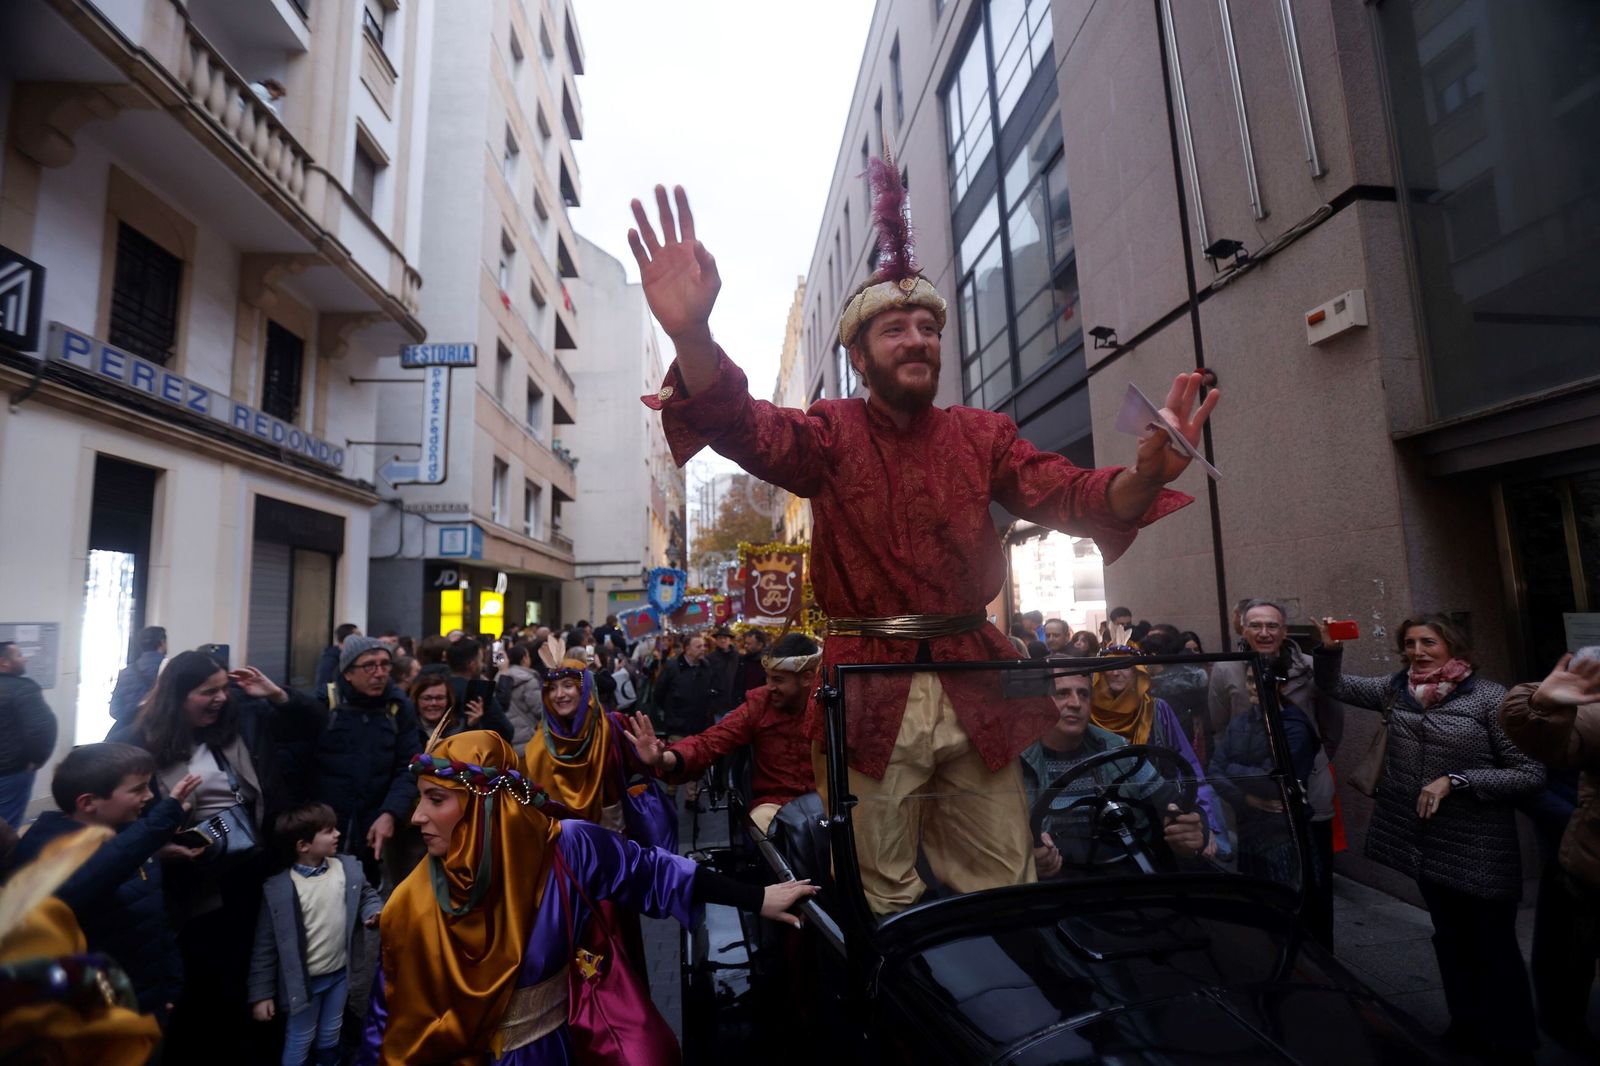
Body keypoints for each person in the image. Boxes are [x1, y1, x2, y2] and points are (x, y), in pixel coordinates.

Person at [631, 173, 1215, 916]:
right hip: (870, 690)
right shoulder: (829, 431)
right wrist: (690, 335)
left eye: (930, 328)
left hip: (975, 679)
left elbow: (1065, 493)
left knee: (1005, 876)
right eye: (895, 329)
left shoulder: (983, 434)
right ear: (860, 355)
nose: (918, 340)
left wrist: (1138, 479)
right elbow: (746, 425)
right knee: (883, 897)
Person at [358, 731, 815, 1064]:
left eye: (436, 799)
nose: (416, 816)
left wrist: (757, 898)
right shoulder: (408, 905)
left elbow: (655, 871)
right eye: (420, 799)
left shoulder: (567, 849)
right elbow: (386, 1019)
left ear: (485, 806)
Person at [1314, 613, 1543, 1062]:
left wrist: (1455, 780)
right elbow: (1335, 686)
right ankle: (1467, 1029)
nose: (1417, 651)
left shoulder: (1490, 698)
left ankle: (1516, 1044)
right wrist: (1330, 649)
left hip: (1479, 846)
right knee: (1450, 938)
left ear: (1453, 646)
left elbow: (1529, 773)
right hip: (1422, 842)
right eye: (1411, 643)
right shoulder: (1396, 689)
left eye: (1428, 642)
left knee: (1494, 945)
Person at [118, 650, 319, 1058]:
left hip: (254, 865)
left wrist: (277, 695)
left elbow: (313, 725)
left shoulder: (242, 718)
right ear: (176, 695)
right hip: (191, 880)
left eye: (224, 688)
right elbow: (118, 810)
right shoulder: (135, 738)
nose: (221, 698)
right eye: (207, 691)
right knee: (203, 970)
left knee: (253, 962)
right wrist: (157, 848)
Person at [10, 744, 203, 1023]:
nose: (148, 797)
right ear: (88, 803)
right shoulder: (47, 851)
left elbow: (154, 922)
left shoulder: (131, 839)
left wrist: (168, 988)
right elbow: (92, 876)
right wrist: (157, 825)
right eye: (137, 789)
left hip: (144, 1002)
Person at [1209, 599, 1342, 940]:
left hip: (1306, 792)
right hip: (1254, 795)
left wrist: (1306, 763)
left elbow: (1331, 726)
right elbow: (1219, 726)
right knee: (1262, 885)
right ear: (1243, 629)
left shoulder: (1312, 667)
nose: (1264, 633)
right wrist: (1246, 780)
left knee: (1314, 887)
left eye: (1272, 626)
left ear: (1284, 631)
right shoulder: (1227, 669)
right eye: (1256, 625)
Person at [1497, 648, 1600, 1056]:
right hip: (1587, 861)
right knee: (1568, 956)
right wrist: (1540, 705)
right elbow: (1547, 741)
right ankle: (1562, 1024)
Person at [625, 634, 822, 833]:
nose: (769, 687)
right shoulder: (759, 705)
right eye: (768, 678)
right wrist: (665, 757)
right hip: (775, 809)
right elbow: (708, 743)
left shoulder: (833, 703)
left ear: (807, 678)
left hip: (828, 804)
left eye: (778, 680)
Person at [1021, 667, 1208, 877]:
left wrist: (1191, 830)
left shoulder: (1115, 748)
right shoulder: (1017, 761)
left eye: (1083, 694)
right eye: (1062, 693)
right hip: (1053, 890)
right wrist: (1030, 857)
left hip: (1123, 879)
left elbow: (1174, 804)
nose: (1075, 703)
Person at [249, 803, 383, 1066]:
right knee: (301, 1036)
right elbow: (264, 949)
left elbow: (366, 893)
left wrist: (373, 912)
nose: (337, 834)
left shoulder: (347, 868)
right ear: (303, 845)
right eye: (328, 831)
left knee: (331, 1032)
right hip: (304, 984)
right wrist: (261, 995)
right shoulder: (280, 890)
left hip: (339, 975)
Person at [1089, 640, 1229, 860]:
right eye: (1109, 666)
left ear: (1137, 672)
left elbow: (1187, 764)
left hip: (1158, 815)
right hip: (1101, 819)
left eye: (1124, 666)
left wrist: (1204, 821)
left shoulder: (1157, 709)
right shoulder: (1087, 713)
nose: (1116, 673)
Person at [308, 636, 422, 887]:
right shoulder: (325, 705)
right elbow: (299, 763)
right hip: (324, 828)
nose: (379, 673)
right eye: (369, 666)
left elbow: (409, 766)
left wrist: (390, 813)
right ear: (348, 673)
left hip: (374, 828)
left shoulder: (398, 707)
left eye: (385, 664)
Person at [650, 633, 716, 801]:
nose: (703, 649)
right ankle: (670, 793)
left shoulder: (706, 666)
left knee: (696, 759)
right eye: (698, 646)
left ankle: (691, 798)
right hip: (677, 722)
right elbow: (659, 692)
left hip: (699, 722)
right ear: (687, 649)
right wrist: (670, 710)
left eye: (704, 646)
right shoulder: (672, 667)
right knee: (675, 757)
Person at [0, 641, 57, 826]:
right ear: (4, 662)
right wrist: (37, 760)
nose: (24, 659)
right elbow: (40, 729)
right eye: (18, 655)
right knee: (6, 826)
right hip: (10, 771)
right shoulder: (23, 688)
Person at [444, 639, 514, 741]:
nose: (482, 665)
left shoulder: (440, 686)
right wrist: (504, 672)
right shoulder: (477, 691)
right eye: (480, 661)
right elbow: (506, 730)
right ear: (472, 665)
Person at [110, 625, 167, 725]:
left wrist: (130, 720)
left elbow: (114, 709)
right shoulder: (171, 668)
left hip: (131, 733)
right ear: (162, 643)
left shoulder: (125, 672)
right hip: (161, 731)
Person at [497, 643, 544, 744]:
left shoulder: (500, 678)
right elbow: (539, 710)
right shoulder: (528, 680)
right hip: (528, 736)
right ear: (524, 658)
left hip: (506, 735)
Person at [706, 627, 742, 718]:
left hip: (734, 699)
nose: (722, 641)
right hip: (718, 701)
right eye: (720, 638)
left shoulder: (738, 657)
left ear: (730, 640)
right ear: (716, 640)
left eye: (725, 638)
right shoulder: (710, 658)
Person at [314, 624, 361, 695]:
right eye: (358, 635)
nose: (361, 638)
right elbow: (325, 687)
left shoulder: (352, 657)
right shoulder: (330, 660)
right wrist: (337, 704)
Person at [737, 629, 769, 697]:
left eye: (749, 644)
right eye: (745, 643)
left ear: (759, 645)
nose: (745, 646)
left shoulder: (767, 663)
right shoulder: (743, 660)